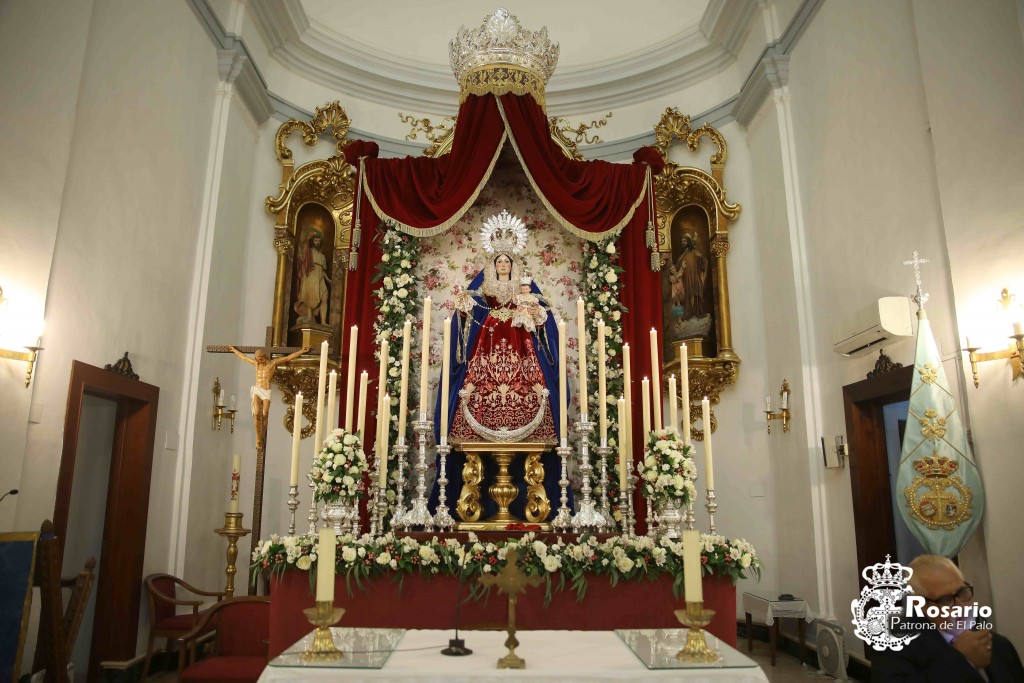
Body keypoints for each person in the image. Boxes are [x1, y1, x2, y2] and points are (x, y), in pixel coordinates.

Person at [429, 216, 569, 522]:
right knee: (477, 389)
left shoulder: (526, 287)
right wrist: (464, 308)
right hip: (488, 350)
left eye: (507, 260)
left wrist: (532, 309)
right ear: (492, 265)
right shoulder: (484, 289)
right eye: (499, 261)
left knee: (532, 387)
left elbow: (543, 316)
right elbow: (469, 314)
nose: (503, 264)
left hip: (521, 350)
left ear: (513, 264)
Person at [872, 555, 1024, 682]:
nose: (960, 606)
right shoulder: (895, 647)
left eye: (963, 592)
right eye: (945, 600)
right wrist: (963, 661)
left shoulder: (999, 645)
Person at [229, 345, 310, 449]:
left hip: (266, 391)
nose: (258, 361)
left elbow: (288, 358)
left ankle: (262, 435)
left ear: (264, 356)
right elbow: (243, 357)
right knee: (257, 413)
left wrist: (301, 351)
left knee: (265, 414)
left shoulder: (272, 363)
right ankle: (258, 437)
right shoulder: (256, 364)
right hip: (257, 390)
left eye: (260, 359)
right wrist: (234, 350)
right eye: (257, 359)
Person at [294, 228, 331, 325]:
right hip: (310, 276)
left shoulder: (322, 256)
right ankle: (309, 317)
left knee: (325, 297)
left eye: (319, 240)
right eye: (315, 240)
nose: (317, 242)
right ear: (312, 241)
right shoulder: (308, 252)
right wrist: (305, 233)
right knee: (310, 297)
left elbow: (323, 270)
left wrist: (328, 279)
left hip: (320, 277)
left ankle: (323, 321)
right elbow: (301, 248)